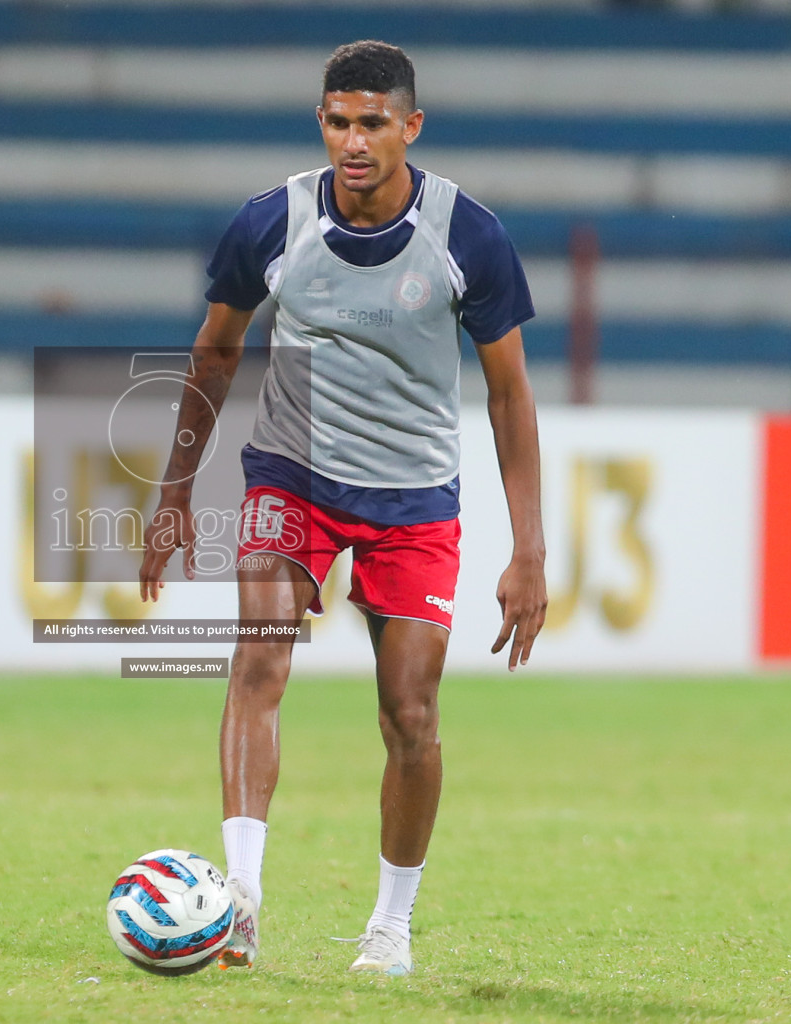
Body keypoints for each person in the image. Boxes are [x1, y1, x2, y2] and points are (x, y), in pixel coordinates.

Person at [138, 41, 548, 977]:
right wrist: (172, 495)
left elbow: (510, 396)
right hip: (293, 475)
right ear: (319, 122)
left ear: (411, 126)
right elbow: (213, 355)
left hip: (412, 498)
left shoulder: (468, 237)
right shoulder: (270, 223)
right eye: (337, 120)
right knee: (259, 660)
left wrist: (528, 549)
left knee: (410, 715)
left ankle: (390, 926)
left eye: (372, 122)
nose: (353, 141)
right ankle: (240, 900)